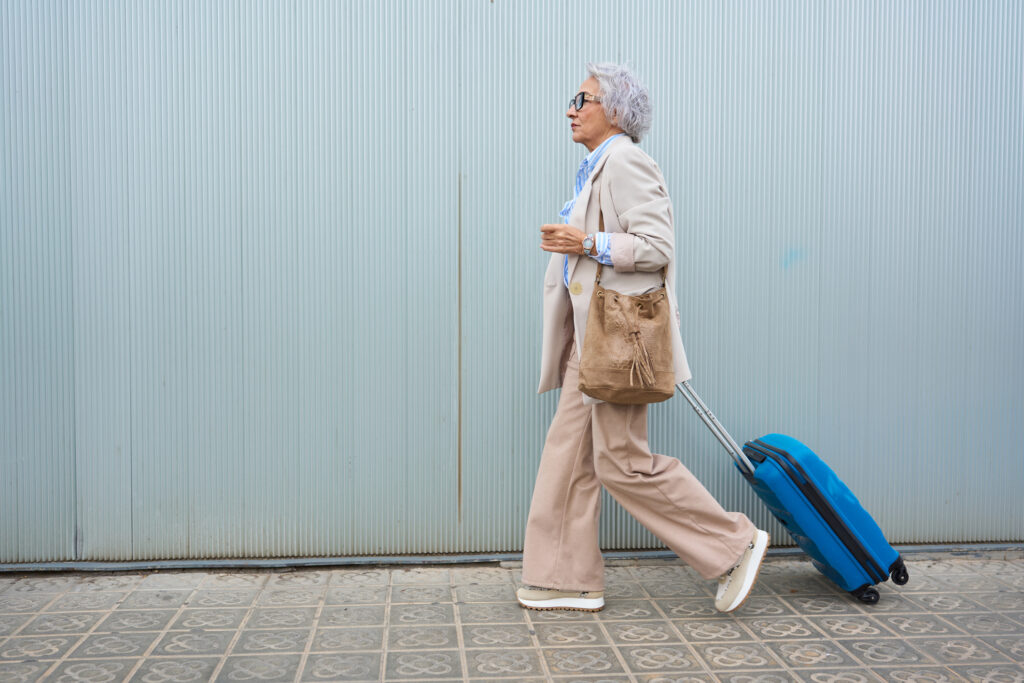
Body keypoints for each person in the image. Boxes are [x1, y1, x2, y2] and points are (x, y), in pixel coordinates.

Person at [517, 62, 769, 614]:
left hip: (616, 340)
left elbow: (656, 246)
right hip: (592, 339)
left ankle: (733, 545)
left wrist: (586, 243)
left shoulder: (627, 160)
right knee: (570, 455)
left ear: (615, 110)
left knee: (622, 463)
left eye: (581, 100)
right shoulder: (597, 167)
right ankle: (562, 576)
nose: (570, 110)